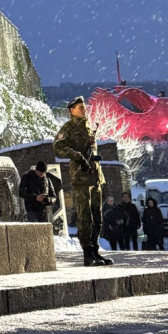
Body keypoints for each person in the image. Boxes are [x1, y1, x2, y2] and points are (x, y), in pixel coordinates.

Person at [54, 96, 112, 266]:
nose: (83, 110)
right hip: (81, 177)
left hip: (95, 177)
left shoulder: (88, 126)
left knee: (97, 216)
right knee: (85, 216)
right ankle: (87, 252)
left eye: (84, 107)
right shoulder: (68, 128)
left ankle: (95, 249)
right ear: (72, 110)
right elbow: (57, 147)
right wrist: (76, 155)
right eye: (80, 107)